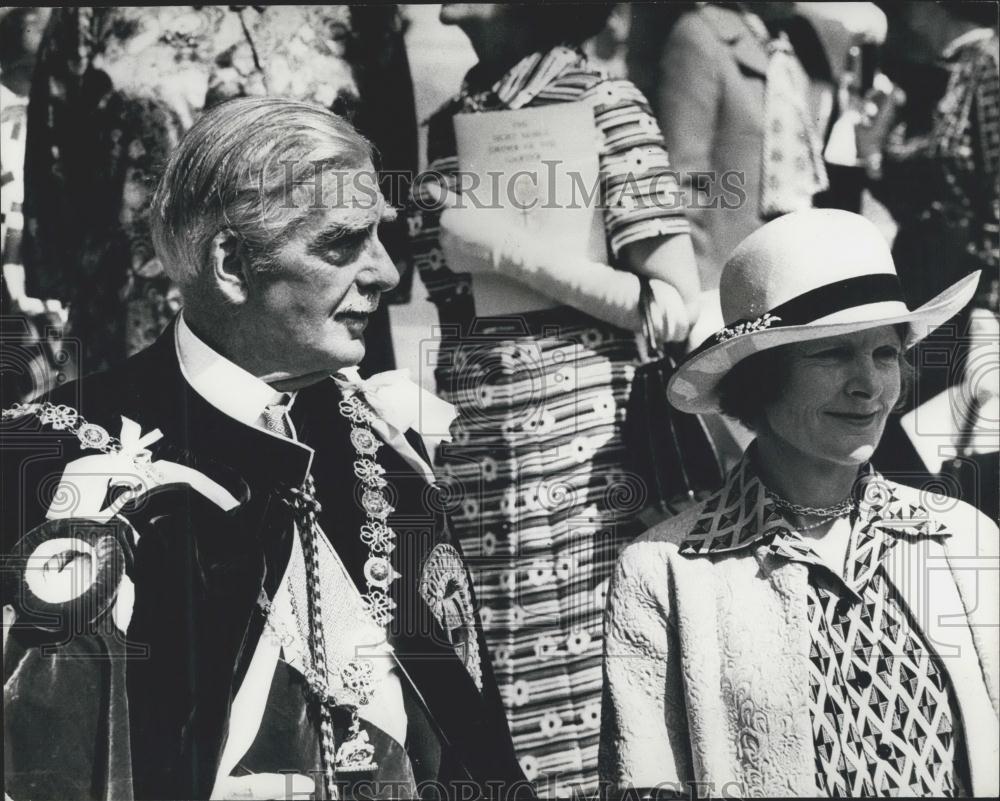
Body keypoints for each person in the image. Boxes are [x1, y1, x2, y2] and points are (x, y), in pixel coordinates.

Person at [2, 98, 527, 801]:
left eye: (379, 238)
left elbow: (474, 745)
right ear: (231, 263)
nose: (384, 274)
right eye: (342, 245)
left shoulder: (386, 453)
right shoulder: (44, 457)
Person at [600, 209, 998, 797]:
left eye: (884, 353)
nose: (868, 384)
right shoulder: (664, 575)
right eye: (833, 354)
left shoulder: (964, 539)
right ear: (758, 378)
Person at [408, 3, 700, 793]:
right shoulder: (451, 117)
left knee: (577, 693)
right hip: (472, 447)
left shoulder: (603, 100)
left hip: (577, 457)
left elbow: (676, 303)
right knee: (487, 674)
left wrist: (507, 249)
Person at [21, 6, 416, 379]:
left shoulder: (363, 13)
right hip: (133, 307)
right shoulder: (92, 11)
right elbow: (53, 147)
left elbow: (390, 152)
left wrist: (382, 260)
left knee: (317, 438)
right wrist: (53, 273)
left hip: (315, 305)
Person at [854, 2, 999, 502]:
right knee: (901, 406)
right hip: (923, 265)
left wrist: (989, 301)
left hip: (963, 275)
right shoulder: (945, 73)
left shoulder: (990, 66)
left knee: (940, 420)